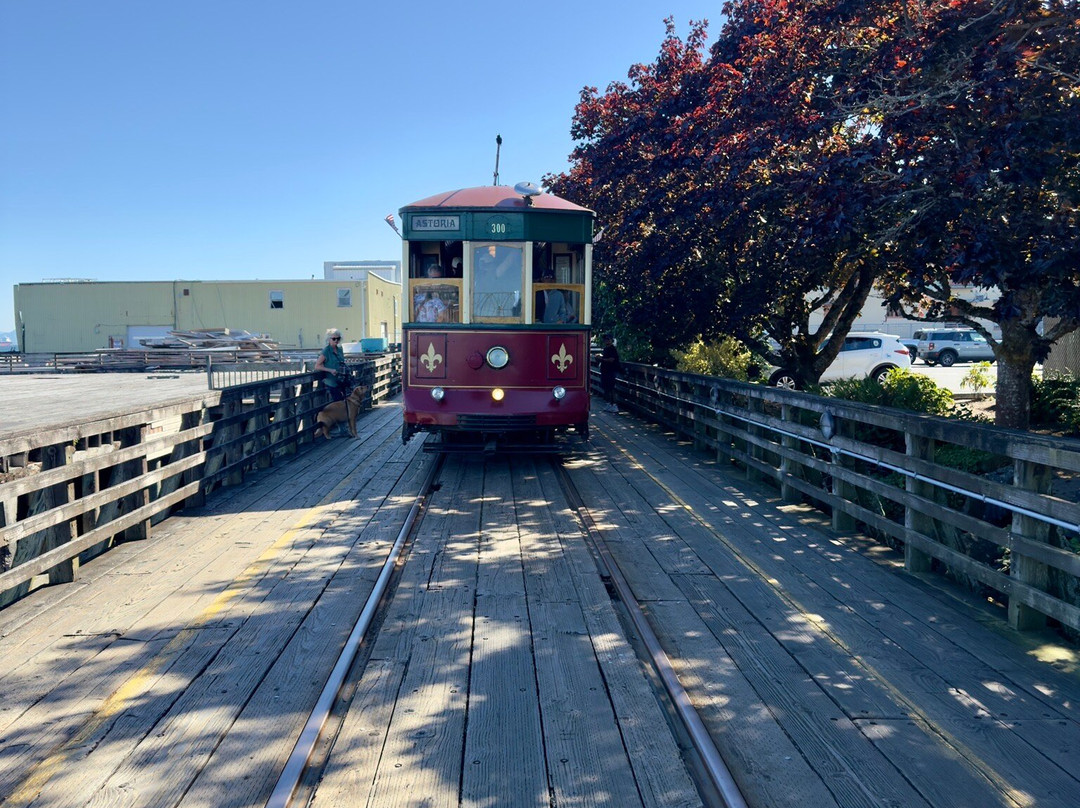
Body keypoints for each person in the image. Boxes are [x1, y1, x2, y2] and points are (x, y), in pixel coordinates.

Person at [314, 328, 348, 402]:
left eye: (338, 338)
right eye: (334, 339)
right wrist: (330, 370)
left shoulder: (340, 349)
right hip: (331, 382)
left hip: (341, 380)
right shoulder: (326, 351)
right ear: (329, 339)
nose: (336, 340)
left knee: (344, 402)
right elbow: (317, 366)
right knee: (338, 404)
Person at [598, 333, 621, 413]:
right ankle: (609, 404)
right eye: (605, 339)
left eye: (608, 339)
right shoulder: (606, 349)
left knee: (611, 388)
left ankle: (614, 405)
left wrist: (602, 359)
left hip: (611, 371)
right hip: (605, 371)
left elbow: (612, 359)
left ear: (611, 340)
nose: (606, 340)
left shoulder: (612, 349)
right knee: (606, 388)